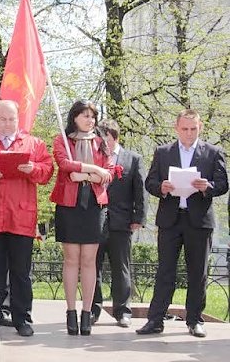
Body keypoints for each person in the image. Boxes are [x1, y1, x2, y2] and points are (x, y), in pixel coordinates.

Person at [136, 109, 228, 338]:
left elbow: (223, 184)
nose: (189, 133)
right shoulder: (163, 152)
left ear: (200, 128)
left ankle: (195, 320)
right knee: (165, 271)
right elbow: (150, 182)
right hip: (170, 219)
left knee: (198, 272)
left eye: (193, 129)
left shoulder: (213, 152)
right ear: (176, 128)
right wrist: (161, 188)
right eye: (185, 129)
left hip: (199, 220)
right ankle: (155, 320)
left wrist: (208, 187)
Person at [0, 100, 53, 337]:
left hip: (20, 215)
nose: (7, 123)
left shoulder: (33, 143)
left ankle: (22, 318)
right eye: (3, 119)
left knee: (21, 271)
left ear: (18, 119)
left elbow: (47, 171)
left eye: (12, 119)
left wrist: (32, 169)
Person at [50, 100, 113, 336]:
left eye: (93, 116)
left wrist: (86, 174)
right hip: (69, 204)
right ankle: (70, 311)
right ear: (74, 117)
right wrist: (94, 170)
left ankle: (87, 312)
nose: (90, 120)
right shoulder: (63, 140)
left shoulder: (101, 143)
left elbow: (109, 174)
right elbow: (64, 165)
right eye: (85, 115)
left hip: (94, 207)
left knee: (89, 260)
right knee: (71, 259)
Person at [91, 119, 146, 328]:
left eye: (105, 139)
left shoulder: (133, 159)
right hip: (95, 221)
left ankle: (122, 311)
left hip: (121, 222)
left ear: (114, 138)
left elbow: (140, 191)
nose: (102, 143)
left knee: (121, 268)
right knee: (92, 268)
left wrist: (138, 218)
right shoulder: (94, 159)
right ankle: (93, 310)